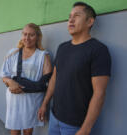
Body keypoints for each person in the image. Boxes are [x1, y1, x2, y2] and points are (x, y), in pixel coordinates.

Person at [38, 2, 111, 135]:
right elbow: (54, 79)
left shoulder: (98, 50)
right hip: (55, 117)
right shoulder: (62, 47)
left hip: (76, 126)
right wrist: (45, 103)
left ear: (90, 21)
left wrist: (85, 129)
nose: (71, 20)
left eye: (76, 16)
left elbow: (99, 93)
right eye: (69, 16)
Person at [0, 23, 52, 135]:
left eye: (31, 35)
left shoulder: (43, 56)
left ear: (38, 36)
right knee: (14, 129)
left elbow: (46, 83)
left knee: (28, 131)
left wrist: (44, 104)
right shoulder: (12, 53)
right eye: (24, 34)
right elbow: (3, 75)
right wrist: (10, 81)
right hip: (14, 99)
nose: (27, 38)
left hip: (32, 101)